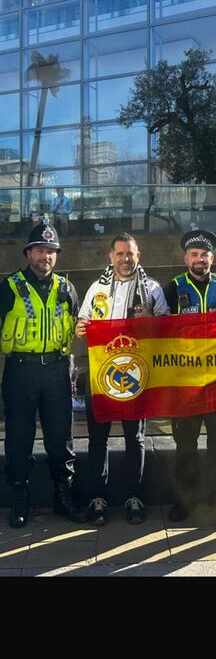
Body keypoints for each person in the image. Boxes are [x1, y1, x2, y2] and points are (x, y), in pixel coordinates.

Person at [75, 233, 170, 526]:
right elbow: (82, 322)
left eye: (130, 254)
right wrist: (81, 327)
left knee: (135, 438)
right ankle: (98, 497)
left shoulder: (152, 289)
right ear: (110, 257)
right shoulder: (97, 288)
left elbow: (168, 330)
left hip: (134, 376)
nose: (125, 259)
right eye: (119, 254)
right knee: (98, 438)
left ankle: (133, 496)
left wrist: (150, 320)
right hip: (102, 375)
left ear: (138, 256)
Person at [0, 222, 87, 528]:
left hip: (56, 370)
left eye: (51, 251)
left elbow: (78, 324)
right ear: (28, 253)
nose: (46, 256)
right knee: (19, 438)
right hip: (20, 371)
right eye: (40, 250)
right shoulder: (9, 287)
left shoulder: (67, 288)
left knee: (60, 438)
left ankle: (63, 497)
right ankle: (20, 498)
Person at [163, 229, 216, 522]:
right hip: (185, 383)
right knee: (185, 443)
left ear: (213, 257)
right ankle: (185, 500)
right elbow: (157, 329)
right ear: (186, 258)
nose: (200, 259)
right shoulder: (172, 288)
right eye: (195, 255)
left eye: (205, 254)